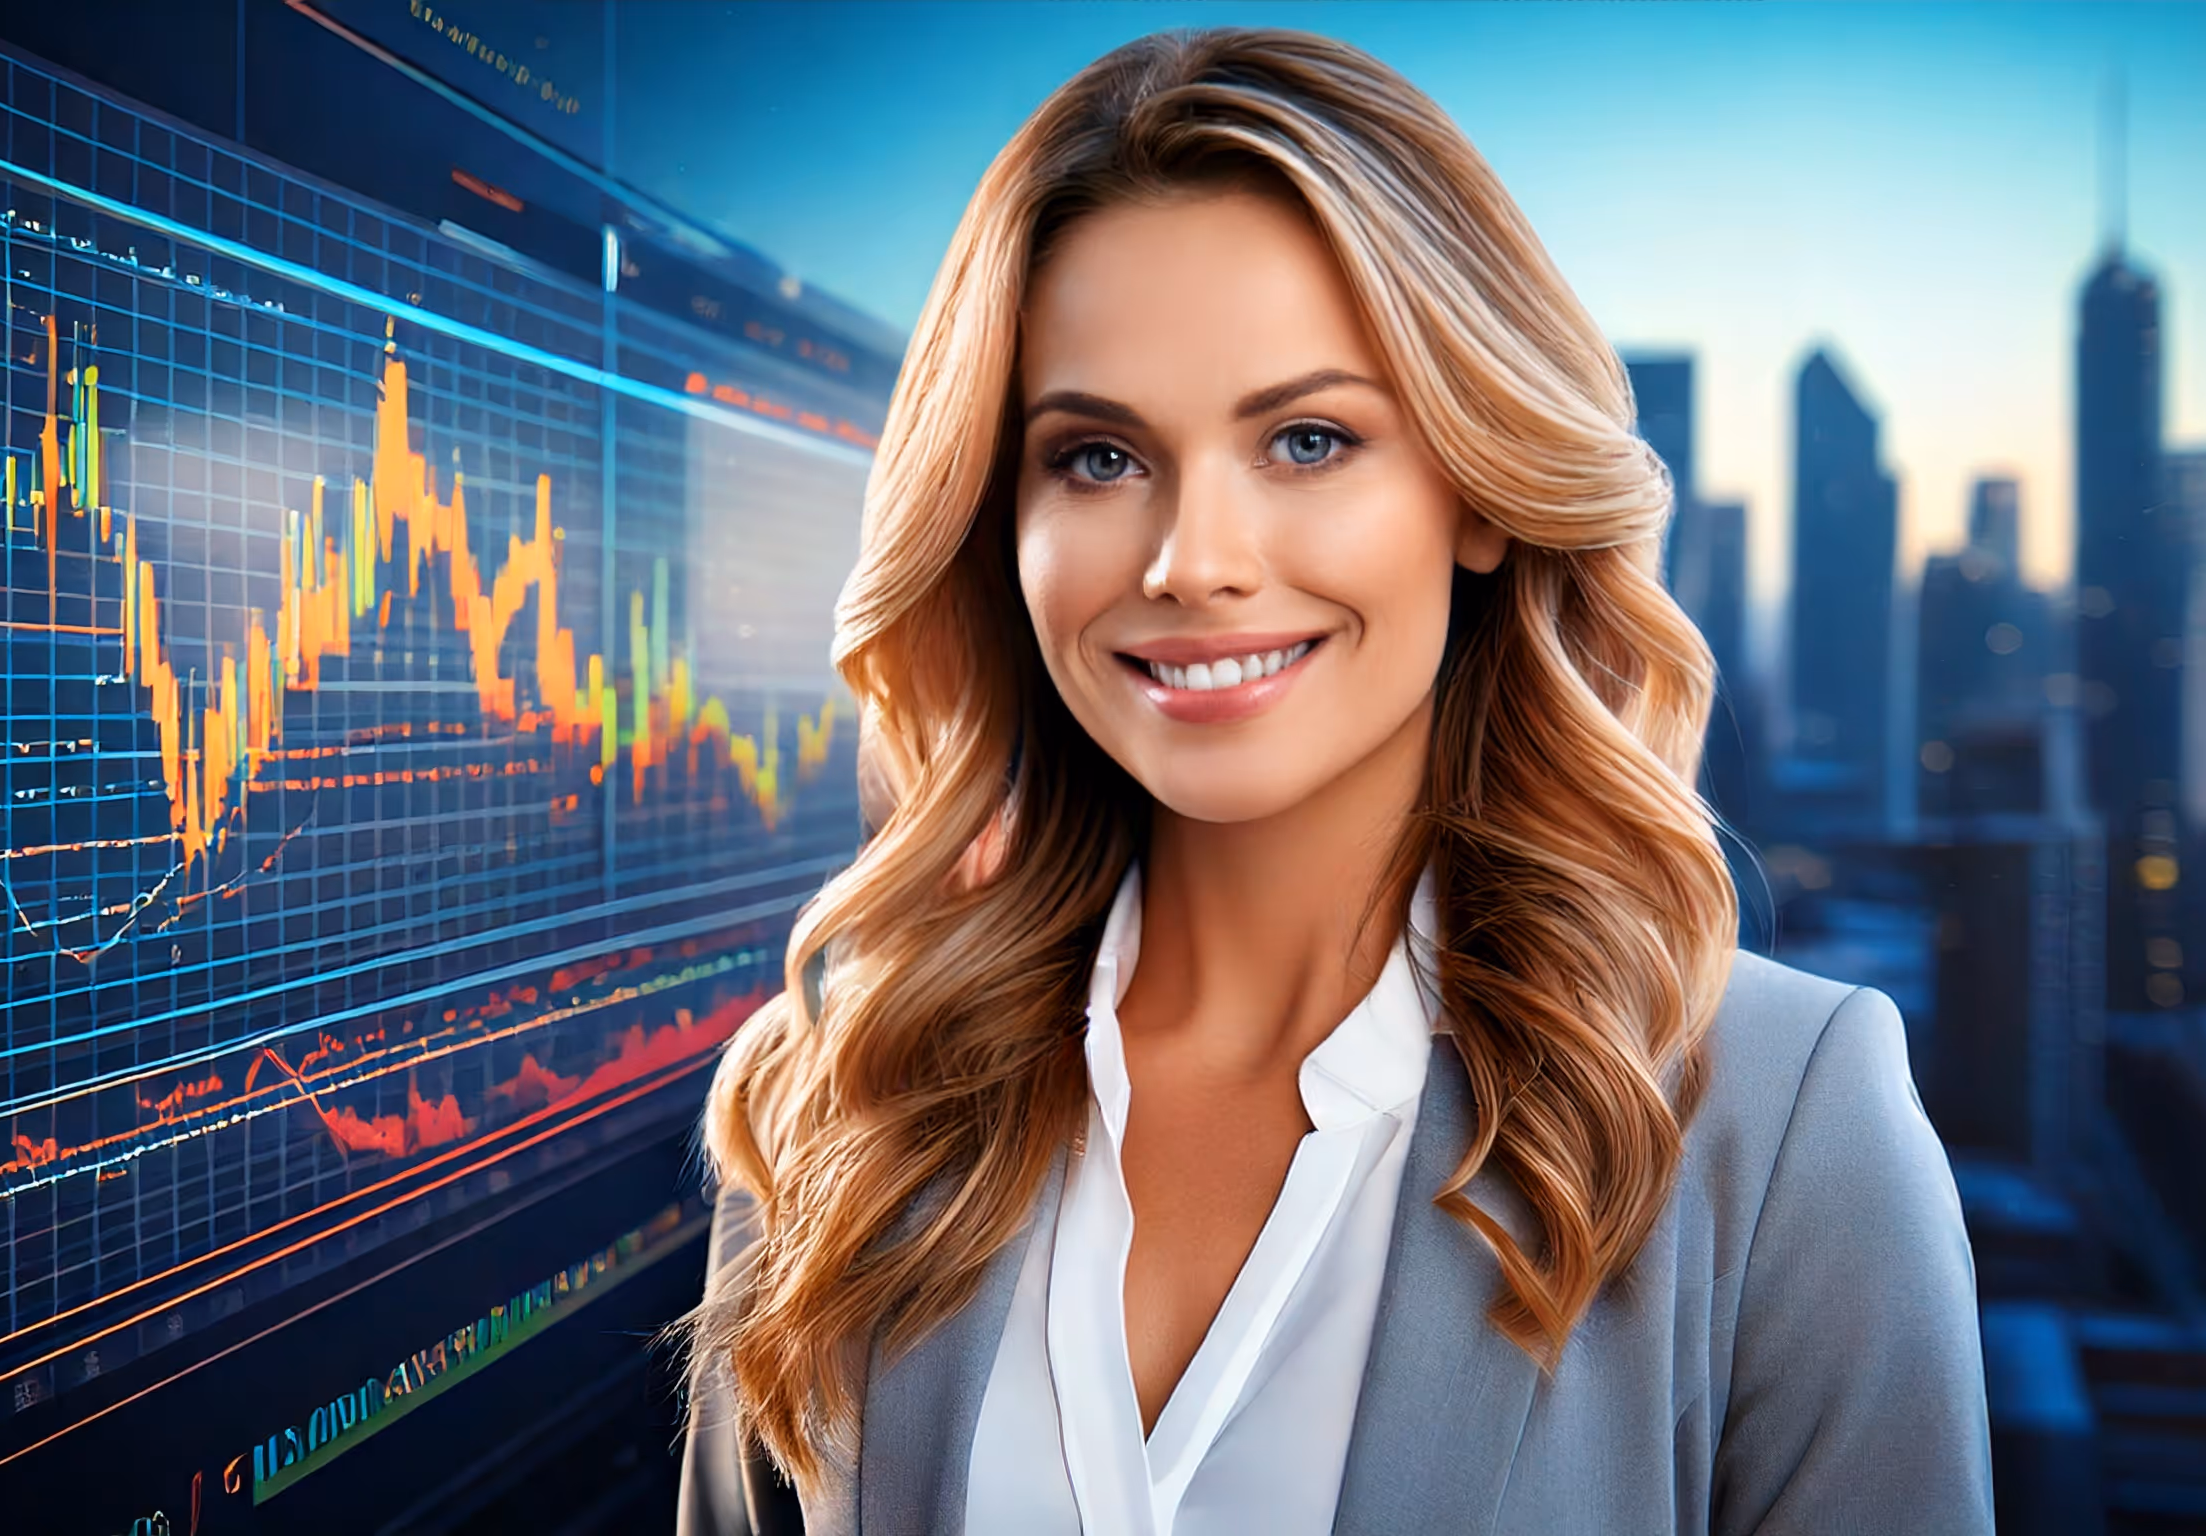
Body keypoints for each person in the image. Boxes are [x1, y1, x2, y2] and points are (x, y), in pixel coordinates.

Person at [679, 26, 1991, 1536]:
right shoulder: (837, 1095)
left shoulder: (1786, 1134)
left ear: (1479, 491)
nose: (1194, 563)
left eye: (1307, 440)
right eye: (1098, 458)